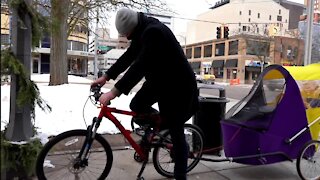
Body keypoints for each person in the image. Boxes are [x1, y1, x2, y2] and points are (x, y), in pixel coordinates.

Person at [91, 8, 199, 180]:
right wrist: (106, 76)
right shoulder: (143, 30)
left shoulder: (154, 32)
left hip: (179, 87)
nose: (126, 37)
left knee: (176, 133)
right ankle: (158, 128)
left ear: (132, 27)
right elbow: (129, 56)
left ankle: (180, 174)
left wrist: (113, 92)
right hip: (161, 81)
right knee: (136, 105)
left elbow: (140, 66)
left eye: (127, 33)